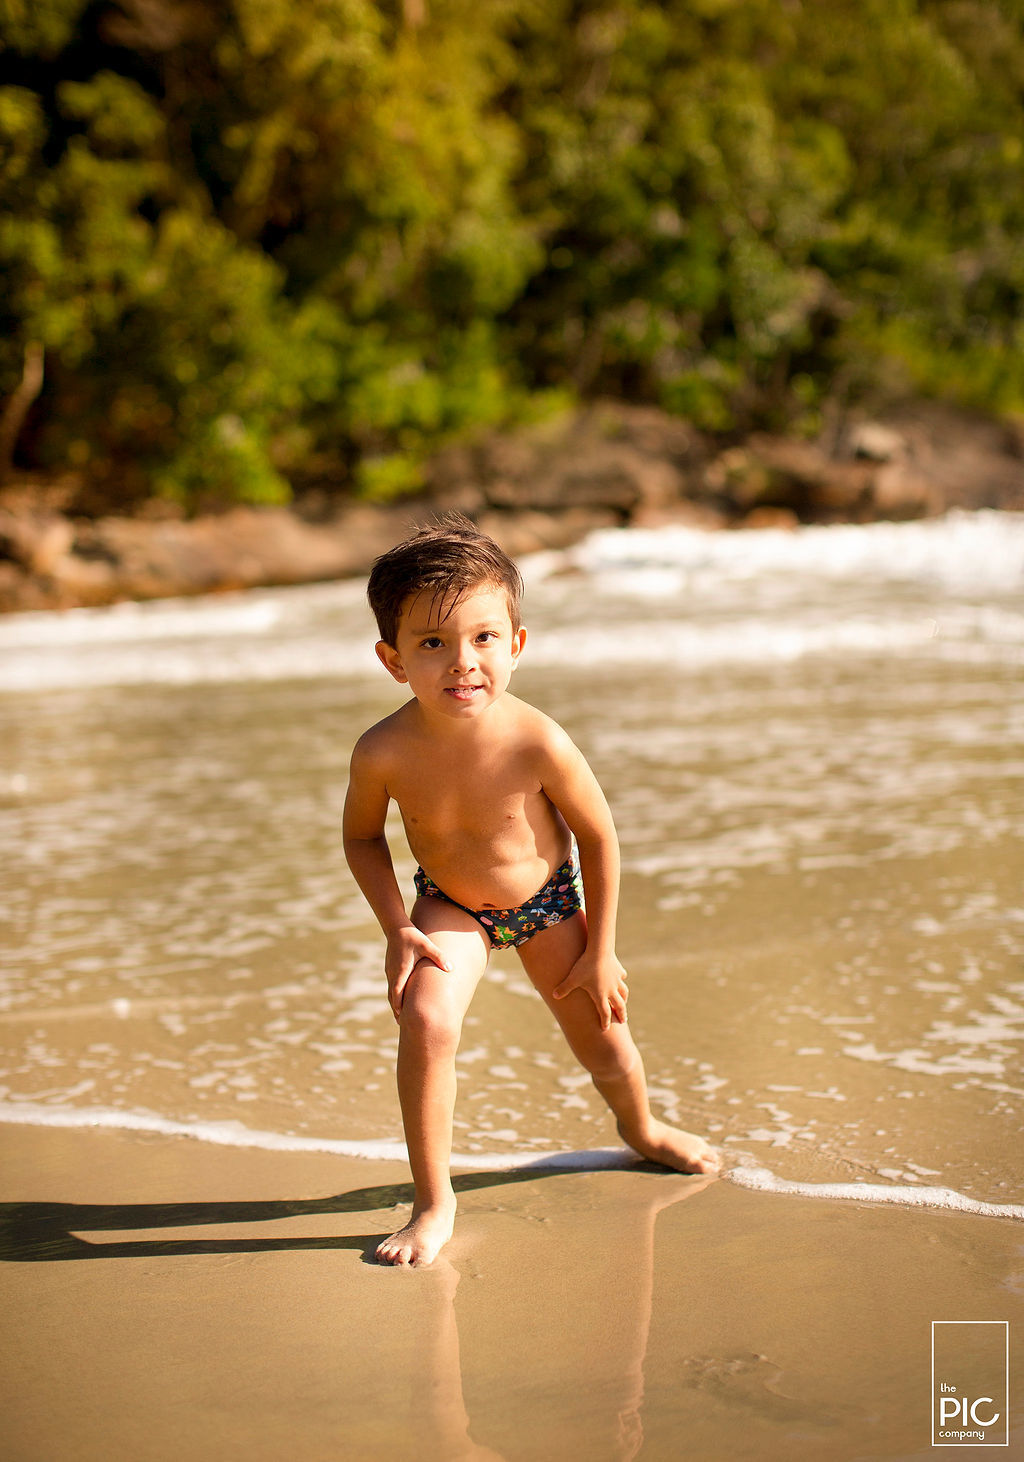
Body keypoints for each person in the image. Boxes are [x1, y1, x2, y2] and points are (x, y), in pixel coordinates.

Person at [343, 516, 720, 1266]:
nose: (462, 663)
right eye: (432, 644)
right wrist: (397, 927)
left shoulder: (539, 740)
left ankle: (641, 1127)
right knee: (426, 1019)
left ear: (516, 644)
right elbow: (361, 839)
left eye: (483, 639)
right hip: (450, 903)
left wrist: (602, 951)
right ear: (393, 661)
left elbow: (600, 837)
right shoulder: (382, 750)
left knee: (605, 1043)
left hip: (547, 902)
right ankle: (432, 1203)